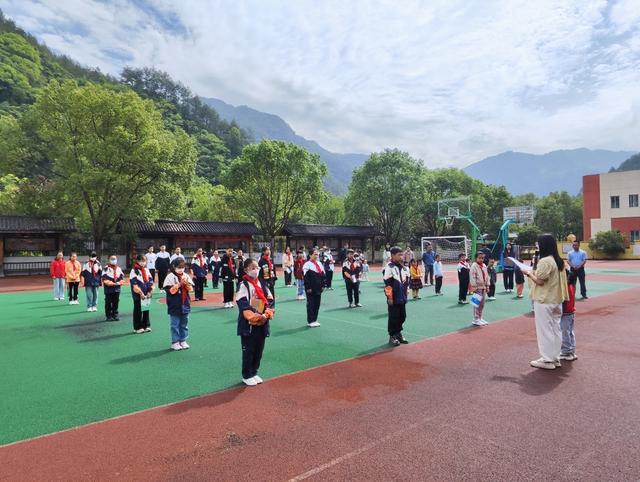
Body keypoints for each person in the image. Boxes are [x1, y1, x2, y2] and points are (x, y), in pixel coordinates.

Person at [524, 233, 569, 370]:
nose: (537, 245)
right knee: (556, 329)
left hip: (544, 300)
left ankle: (547, 359)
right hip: (556, 300)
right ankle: (555, 358)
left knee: (545, 330)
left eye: (538, 243)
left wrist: (528, 273)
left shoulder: (545, 261)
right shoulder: (559, 260)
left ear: (543, 245)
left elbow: (540, 281)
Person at [236, 258, 275, 386]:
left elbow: (270, 300)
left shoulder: (262, 284)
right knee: (249, 350)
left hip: (263, 323)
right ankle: (246, 375)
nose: (256, 269)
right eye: (252, 267)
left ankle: (254, 371)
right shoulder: (244, 285)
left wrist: (266, 315)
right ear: (246, 269)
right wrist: (257, 316)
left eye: (257, 267)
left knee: (259, 349)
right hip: (249, 325)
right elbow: (243, 304)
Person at [163, 258, 194, 351]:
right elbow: (170, 291)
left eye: (182, 267)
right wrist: (180, 284)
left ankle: (183, 340)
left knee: (184, 323)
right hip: (174, 304)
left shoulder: (186, 276)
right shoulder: (170, 277)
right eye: (179, 267)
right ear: (174, 267)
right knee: (175, 324)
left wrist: (187, 284)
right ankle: (175, 342)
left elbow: (191, 289)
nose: (181, 269)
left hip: (185, 303)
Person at [384, 246, 410, 346]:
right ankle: (392, 336)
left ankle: (398, 333)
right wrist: (390, 297)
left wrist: (406, 291)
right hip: (393, 297)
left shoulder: (404, 267)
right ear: (393, 255)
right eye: (399, 255)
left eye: (402, 254)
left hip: (402, 296)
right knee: (393, 317)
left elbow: (407, 281)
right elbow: (387, 284)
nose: (401, 256)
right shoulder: (389, 267)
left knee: (402, 316)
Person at [130, 254, 154, 334]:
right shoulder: (134, 271)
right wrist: (140, 293)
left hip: (147, 294)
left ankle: (146, 325)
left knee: (146, 309)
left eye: (144, 261)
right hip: (138, 294)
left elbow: (150, 281)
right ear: (137, 261)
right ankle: (137, 327)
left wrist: (150, 291)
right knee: (138, 310)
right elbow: (134, 283)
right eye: (141, 261)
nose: (143, 263)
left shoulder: (146, 270)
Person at [303, 249, 325, 327]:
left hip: (318, 288)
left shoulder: (319, 264)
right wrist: (308, 287)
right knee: (311, 304)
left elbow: (323, 275)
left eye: (317, 254)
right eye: (315, 254)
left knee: (317, 304)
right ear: (310, 255)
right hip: (311, 288)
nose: (316, 256)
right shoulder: (307, 264)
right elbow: (305, 277)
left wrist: (323, 285)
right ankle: (310, 321)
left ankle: (315, 320)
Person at [560, 270, 578, 361]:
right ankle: (572, 351)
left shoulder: (566, 287)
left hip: (566, 312)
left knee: (565, 332)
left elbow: (563, 301)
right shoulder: (572, 286)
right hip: (570, 312)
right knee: (569, 332)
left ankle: (566, 352)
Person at [101, 255, 124, 321]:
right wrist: (113, 283)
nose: (114, 260)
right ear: (109, 260)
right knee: (108, 302)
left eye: (115, 259)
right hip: (109, 289)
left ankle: (115, 315)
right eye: (112, 259)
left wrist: (120, 282)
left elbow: (122, 278)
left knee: (116, 302)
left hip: (117, 289)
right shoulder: (106, 268)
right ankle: (108, 316)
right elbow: (104, 279)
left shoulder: (119, 269)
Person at [470, 252, 489, 326]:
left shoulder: (484, 265)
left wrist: (487, 285)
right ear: (476, 258)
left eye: (482, 258)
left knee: (482, 304)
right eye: (479, 258)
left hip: (483, 287)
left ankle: (480, 318)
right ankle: (476, 319)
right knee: (476, 303)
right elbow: (472, 277)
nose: (481, 259)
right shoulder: (474, 266)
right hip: (477, 287)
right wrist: (474, 286)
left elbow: (487, 276)